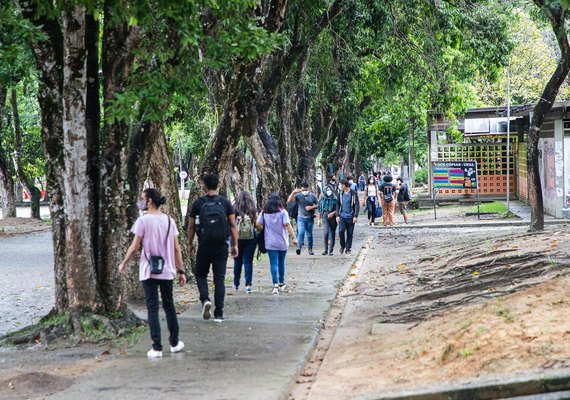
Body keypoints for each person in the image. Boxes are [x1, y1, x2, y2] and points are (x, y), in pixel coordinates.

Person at [119, 188, 186, 358]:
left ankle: (156, 347)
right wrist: (181, 271)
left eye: (142, 198)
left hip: (148, 270)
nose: (141, 202)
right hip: (167, 270)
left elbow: (134, 247)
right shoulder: (170, 221)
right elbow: (177, 249)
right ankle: (175, 342)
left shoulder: (143, 221)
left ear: (149, 201)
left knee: (152, 308)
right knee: (169, 306)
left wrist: (124, 263)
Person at [187, 173, 238, 323]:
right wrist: (235, 245)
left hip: (204, 245)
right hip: (221, 246)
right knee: (219, 279)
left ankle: (205, 299)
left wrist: (190, 244)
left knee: (201, 274)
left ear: (205, 185)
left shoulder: (198, 203)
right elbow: (233, 225)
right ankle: (219, 313)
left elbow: (191, 226)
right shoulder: (225, 203)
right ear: (218, 185)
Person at [256, 193, 298, 294]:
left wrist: (264, 229)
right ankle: (281, 282)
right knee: (281, 262)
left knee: (273, 263)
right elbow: (287, 225)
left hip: (270, 242)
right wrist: (294, 238)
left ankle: (275, 284)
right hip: (282, 242)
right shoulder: (283, 212)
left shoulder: (264, 213)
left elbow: (257, 224)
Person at [233, 191, 258, 293]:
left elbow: (231, 224)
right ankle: (248, 285)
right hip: (250, 238)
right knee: (248, 262)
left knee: (237, 261)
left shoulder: (235, 208)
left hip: (237, 238)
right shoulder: (252, 209)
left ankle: (236, 284)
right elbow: (257, 224)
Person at [287, 182, 318, 255]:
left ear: (308, 188)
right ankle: (299, 247)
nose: (304, 191)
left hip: (310, 218)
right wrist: (293, 192)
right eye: (302, 190)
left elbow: (319, 204)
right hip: (301, 218)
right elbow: (289, 200)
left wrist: (311, 207)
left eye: (305, 190)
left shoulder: (312, 196)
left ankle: (310, 249)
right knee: (300, 233)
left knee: (309, 234)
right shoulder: (298, 195)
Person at [336, 179, 359, 255]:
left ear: (344, 185)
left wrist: (355, 215)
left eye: (340, 185)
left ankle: (348, 248)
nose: (340, 186)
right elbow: (338, 204)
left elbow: (356, 205)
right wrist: (337, 215)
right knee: (341, 231)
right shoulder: (340, 193)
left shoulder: (353, 193)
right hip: (342, 216)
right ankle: (342, 246)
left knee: (350, 233)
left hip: (351, 216)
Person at [318, 185, 338, 255]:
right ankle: (325, 249)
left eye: (330, 190)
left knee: (332, 233)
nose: (328, 191)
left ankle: (331, 250)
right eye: (327, 190)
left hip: (333, 217)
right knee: (325, 233)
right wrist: (318, 220)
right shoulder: (322, 199)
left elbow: (338, 209)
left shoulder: (335, 198)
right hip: (325, 216)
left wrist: (333, 213)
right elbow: (320, 209)